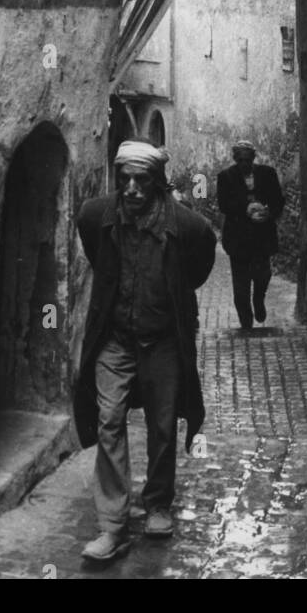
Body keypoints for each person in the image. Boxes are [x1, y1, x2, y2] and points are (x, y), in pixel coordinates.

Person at [74, 140, 216, 563]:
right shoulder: (96, 217)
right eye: (125, 180)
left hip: (163, 339)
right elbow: (98, 257)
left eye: (141, 180)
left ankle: (157, 503)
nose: (132, 189)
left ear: (157, 183)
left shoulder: (188, 228)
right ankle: (112, 527)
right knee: (109, 420)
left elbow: (198, 269)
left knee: (162, 422)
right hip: (115, 338)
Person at [216, 139, 284, 331]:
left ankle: (259, 298)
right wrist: (245, 209)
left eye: (247, 160)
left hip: (262, 238)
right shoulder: (226, 177)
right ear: (235, 159)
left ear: (253, 158)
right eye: (240, 160)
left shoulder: (267, 174)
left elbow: (278, 201)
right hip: (238, 239)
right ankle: (246, 322)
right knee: (241, 284)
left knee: (263, 275)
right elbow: (224, 205)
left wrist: (268, 212)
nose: (244, 164)